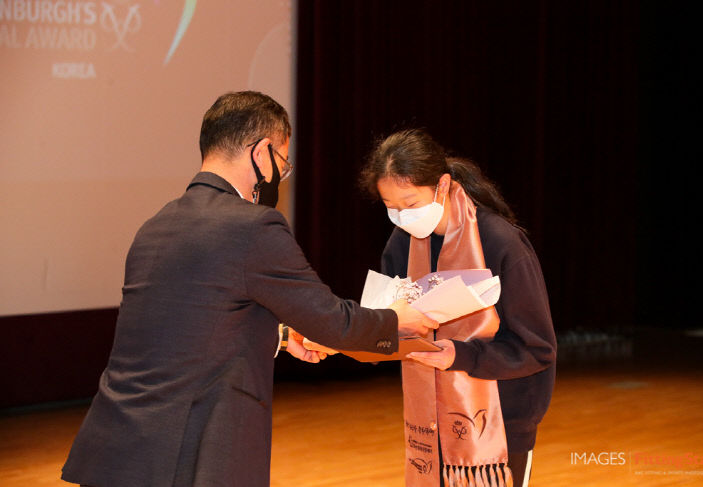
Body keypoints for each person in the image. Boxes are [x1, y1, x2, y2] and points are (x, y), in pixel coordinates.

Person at [61, 92, 437, 487]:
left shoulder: (157, 223)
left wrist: (281, 335)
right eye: (283, 163)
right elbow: (333, 323)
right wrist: (396, 320)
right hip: (189, 457)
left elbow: (187, 323)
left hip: (116, 448)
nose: (281, 176)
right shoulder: (253, 226)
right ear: (261, 153)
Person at [359, 129, 556, 487]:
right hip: (430, 417)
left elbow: (537, 348)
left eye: (411, 204)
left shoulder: (501, 243)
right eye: (391, 208)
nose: (403, 217)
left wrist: (461, 356)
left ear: (443, 185)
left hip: (500, 418)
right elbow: (390, 316)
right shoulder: (402, 242)